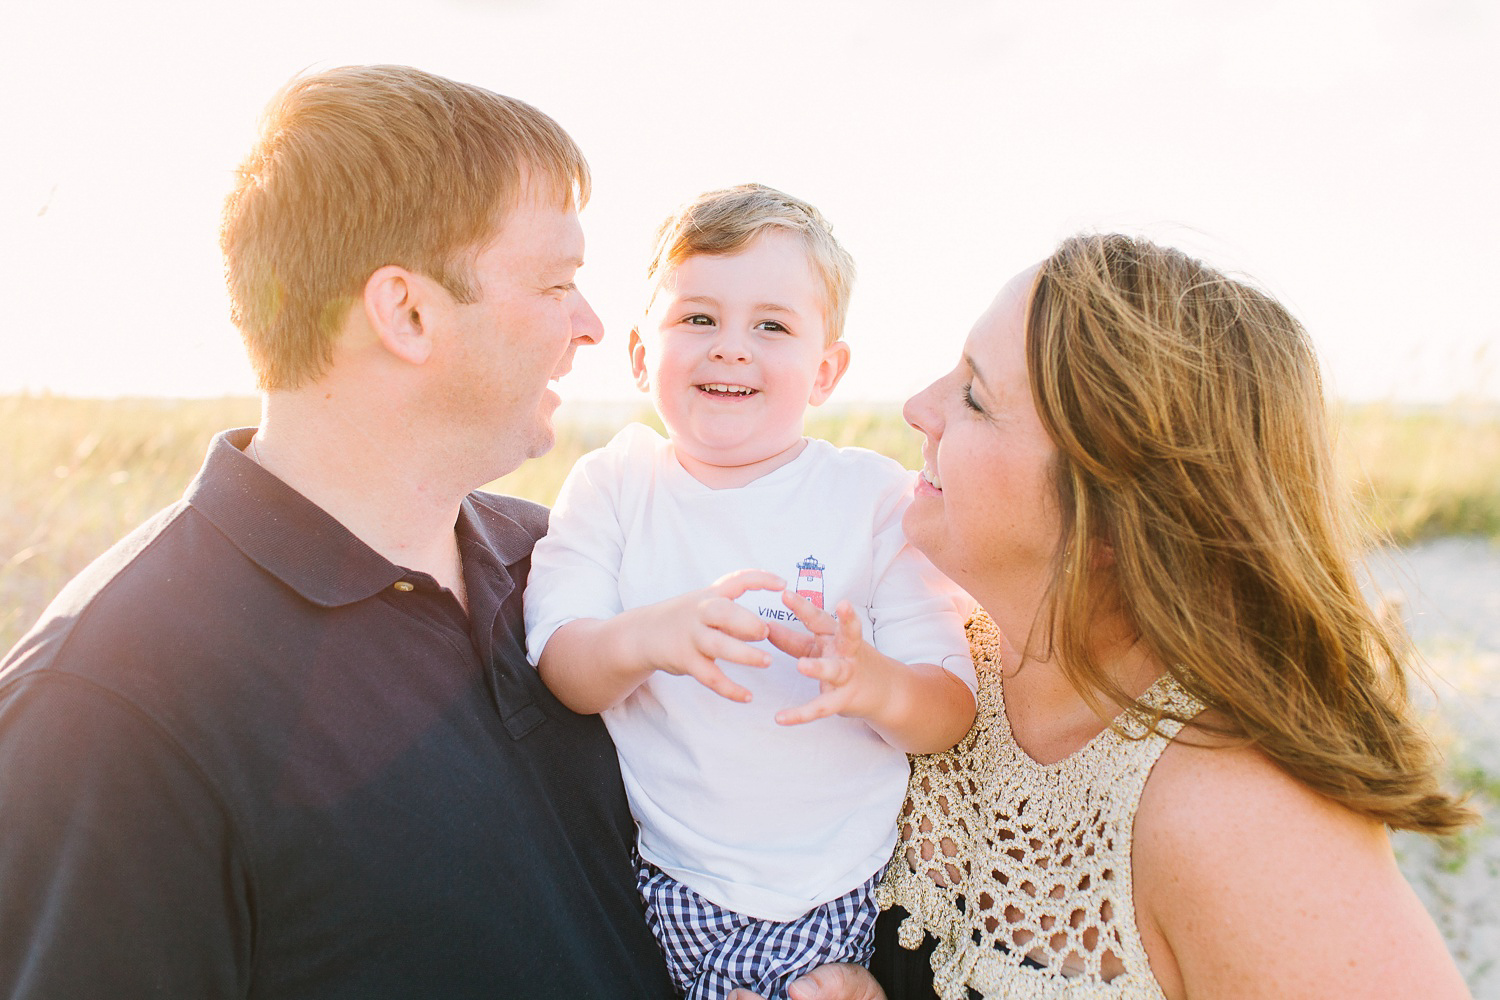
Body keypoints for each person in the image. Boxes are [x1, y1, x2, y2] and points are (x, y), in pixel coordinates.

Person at [0, 65, 675, 998]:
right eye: (557, 282)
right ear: (405, 311)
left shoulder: (560, 565)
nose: (594, 323)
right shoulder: (109, 701)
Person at [732, 233, 1475, 1000]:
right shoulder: (925, 664)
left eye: (976, 398)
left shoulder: (1243, 819)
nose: (918, 408)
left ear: (1115, 523)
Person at [523, 184, 978, 999]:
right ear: (638, 354)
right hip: (667, 883)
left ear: (826, 370)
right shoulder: (616, 486)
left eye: (772, 325)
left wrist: (872, 682)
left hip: (844, 891)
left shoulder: (871, 499)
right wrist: (651, 635)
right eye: (698, 318)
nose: (731, 347)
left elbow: (947, 712)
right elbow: (563, 664)